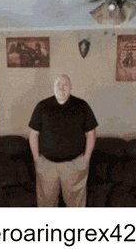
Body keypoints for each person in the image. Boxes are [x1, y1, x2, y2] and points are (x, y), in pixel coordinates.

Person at [28, 75, 98, 207]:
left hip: (75, 165)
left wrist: (86, 158)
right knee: (46, 205)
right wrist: (37, 159)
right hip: (47, 166)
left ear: (70, 87)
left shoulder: (82, 106)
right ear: (53, 87)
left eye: (65, 84)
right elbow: (33, 134)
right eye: (58, 84)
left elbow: (91, 133)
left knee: (76, 206)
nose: (61, 87)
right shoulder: (42, 106)